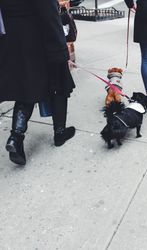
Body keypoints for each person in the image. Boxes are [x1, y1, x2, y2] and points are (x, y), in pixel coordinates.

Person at [0, 0, 76, 166]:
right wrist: (61, 49)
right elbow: (48, 13)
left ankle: (16, 136)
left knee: (27, 88)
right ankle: (60, 132)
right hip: (40, 40)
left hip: (14, 40)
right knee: (59, 82)